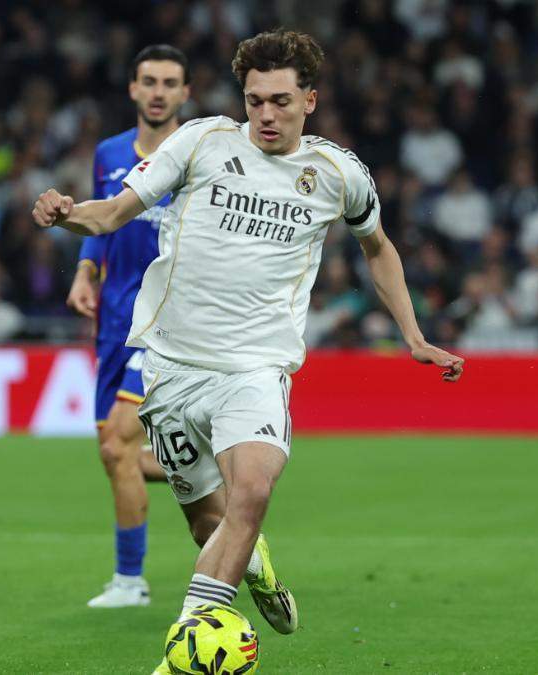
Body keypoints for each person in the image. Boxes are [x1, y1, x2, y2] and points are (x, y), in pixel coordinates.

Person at [32, 29, 464, 668]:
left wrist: (415, 336)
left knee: (253, 492)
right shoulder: (201, 142)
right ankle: (253, 567)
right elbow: (110, 215)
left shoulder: (340, 174)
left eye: (282, 101)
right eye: (255, 100)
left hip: (256, 368)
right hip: (173, 367)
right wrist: (64, 211)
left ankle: (188, 649)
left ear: (310, 101)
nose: (266, 114)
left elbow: (380, 250)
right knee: (213, 521)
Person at [67, 44, 191, 609]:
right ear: (133, 89)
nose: (159, 91)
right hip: (113, 322)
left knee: (119, 445)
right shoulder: (110, 152)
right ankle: (223, 481)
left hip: (165, 322)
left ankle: (129, 581)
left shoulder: (199, 155)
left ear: (185, 93)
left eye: (170, 82)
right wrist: (85, 270)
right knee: (117, 454)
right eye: (150, 80)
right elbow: (103, 219)